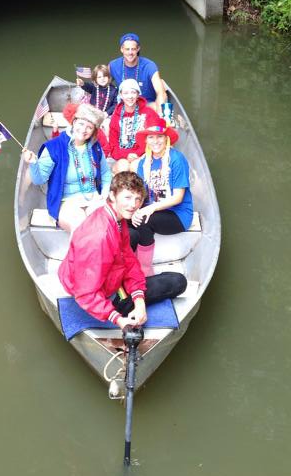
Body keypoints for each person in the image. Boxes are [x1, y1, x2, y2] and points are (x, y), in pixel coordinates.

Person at [58, 171, 187, 329]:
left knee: (132, 238)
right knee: (178, 282)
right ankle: (119, 305)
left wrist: (139, 300)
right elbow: (85, 293)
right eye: (127, 197)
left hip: (101, 278)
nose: (133, 205)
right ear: (112, 196)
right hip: (92, 295)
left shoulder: (116, 218)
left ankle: (130, 297)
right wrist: (119, 319)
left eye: (138, 199)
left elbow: (128, 259)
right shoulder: (99, 237)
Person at [22, 103, 110, 232]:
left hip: (94, 199)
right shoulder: (54, 147)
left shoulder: (95, 147)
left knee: (105, 227)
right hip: (67, 203)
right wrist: (34, 162)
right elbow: (38, 180)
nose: (83, 129)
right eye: (81, 124)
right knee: (81, 229)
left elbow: (106, 172)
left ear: (94, 131)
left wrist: (104, 194)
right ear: (74, 122)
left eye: (89, 127)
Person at [129, 119, 194, 276]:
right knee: (126, 220)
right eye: (150, 137)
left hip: (177, 214)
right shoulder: (143, 163)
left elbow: (178, 197)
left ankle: (144, 270)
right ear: (146, 140)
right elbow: (141, 194)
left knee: (145, 221)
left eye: (159, 136)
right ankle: (127, 265)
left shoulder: (176, 159)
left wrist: (147, 210)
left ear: (166, 138)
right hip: (152, 207)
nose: (155, 141)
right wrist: (134, 210)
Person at [106, 79, 160, 173]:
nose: (130, 96)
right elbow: (113, 145)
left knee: (136, 167)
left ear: (138, 94)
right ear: (121, 95)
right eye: (126, 93)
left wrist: (138, 154)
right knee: (123, 167)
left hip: (144, 153)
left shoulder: (149, 113)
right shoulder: (116, 116)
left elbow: (156, 137)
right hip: (123, 155)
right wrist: (126, 155)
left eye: (133, 92)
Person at [109, 32, 167, 109]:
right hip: (124, 106)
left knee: (156, 105)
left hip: (146, 106)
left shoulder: (149, 66)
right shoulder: (113, 65)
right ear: (121, 49)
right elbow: (101, 83)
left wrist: (160, 114)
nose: (130, 52)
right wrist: (89, 78)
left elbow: (161, 93)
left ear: (138, 49)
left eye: (133, 49)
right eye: (127, 49)